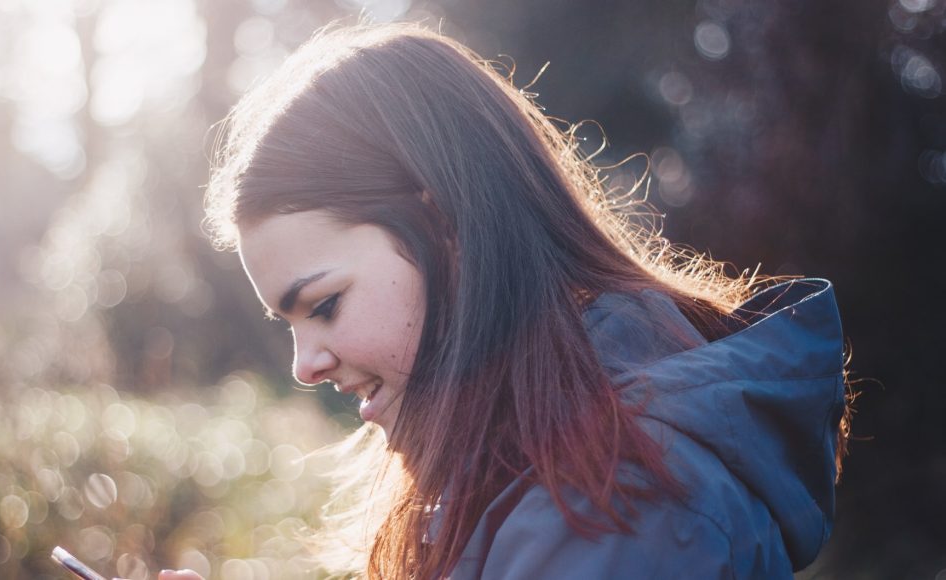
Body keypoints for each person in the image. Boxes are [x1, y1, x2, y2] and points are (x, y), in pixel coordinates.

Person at [160, 21, 852, 580]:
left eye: (324, 305)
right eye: (288, 323)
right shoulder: (543, 469)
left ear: (445, 228)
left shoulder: (615, 506)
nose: (304, 365)